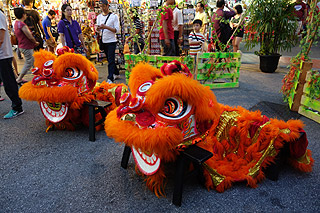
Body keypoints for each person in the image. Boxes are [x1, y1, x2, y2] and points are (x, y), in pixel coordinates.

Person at [0, 5, 24, 118]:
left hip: (2, 56)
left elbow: (0, 38)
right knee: (8, 81)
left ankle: (17, 107)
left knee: (9, 83)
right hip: (2, 55)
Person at [14, 7, 39, 85]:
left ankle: (38, 75)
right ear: (23, 15)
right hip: (26, 46)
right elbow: (29, 36)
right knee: (29, 62)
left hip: (21, 45)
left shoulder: (16, 23)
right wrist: (35, 42)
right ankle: (19, 79)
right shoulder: (22, 25)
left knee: (33, 61)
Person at [96, 0, 120, 83]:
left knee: (111, 59)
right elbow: (98, 29)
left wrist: (106, 27)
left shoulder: (114, 16)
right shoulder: (99, 17)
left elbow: (117, 30)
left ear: (107, 6)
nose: (102, 8)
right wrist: (98, 29)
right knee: (110, 59)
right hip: (103, 40)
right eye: (100, 6)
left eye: (103, 6)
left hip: (112, 41)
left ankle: (110, 78)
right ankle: (116, 72)